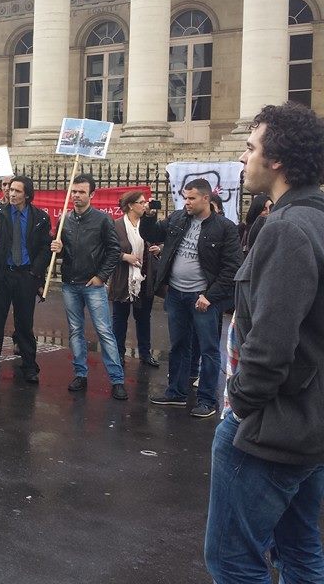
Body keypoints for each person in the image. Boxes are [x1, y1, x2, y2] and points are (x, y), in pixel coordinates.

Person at [204, 102, 324, 583]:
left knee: (233, 559)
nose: (242, 158)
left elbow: (271, 345)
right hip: (307, 423)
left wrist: (240, 407)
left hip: (271, 428)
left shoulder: (288, 228)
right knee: (300, 550)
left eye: (250, 148)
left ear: (276, 160)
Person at [142, 179, 242, 418]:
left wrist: (210, 296)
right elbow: (152, 233)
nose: (186, 202)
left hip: (203, 299)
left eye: (192, 198)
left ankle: (207, 400)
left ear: (206, 199)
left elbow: (232, 268)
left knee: (208, 350)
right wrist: (148, 216)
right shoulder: (177, 218)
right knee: (178, 345)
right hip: (176, 294)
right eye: (185, 197)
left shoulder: (225, 227)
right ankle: (176, 392)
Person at [49, 174, 128, 400]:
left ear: (92, 194)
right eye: (73, 191)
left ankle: (117, 380)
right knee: (75, 331)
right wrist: (58, 248)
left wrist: (101, 276)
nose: (76, 195)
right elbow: (62, 252)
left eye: (81, 192)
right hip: (70, 283)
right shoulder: (65, 219)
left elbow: (114, 250)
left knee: (104, 331)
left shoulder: (102, 220)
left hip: (92, 284)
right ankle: (80, 374)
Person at [0, 176, 52, 384]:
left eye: (17, 191)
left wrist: (35, 272)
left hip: (25, 275)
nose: (12, 194)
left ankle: (29, 366)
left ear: (27, 194)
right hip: (2, 274)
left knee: (24, 323)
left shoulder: (40, 218)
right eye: (10, 190)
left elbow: (46, 247)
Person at [108, 190, 160, 368]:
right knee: (120, 318)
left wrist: (157, 249)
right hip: (123, 278)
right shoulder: (116, 225)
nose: (145, 205)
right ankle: (119, 353)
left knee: (144, 318)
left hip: (145, 277)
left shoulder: (148, 224)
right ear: (130, 205)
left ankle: (145, 354)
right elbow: (108, 249)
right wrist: (124, 256)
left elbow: (158, 240)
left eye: (145, 202)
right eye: (141, 202)